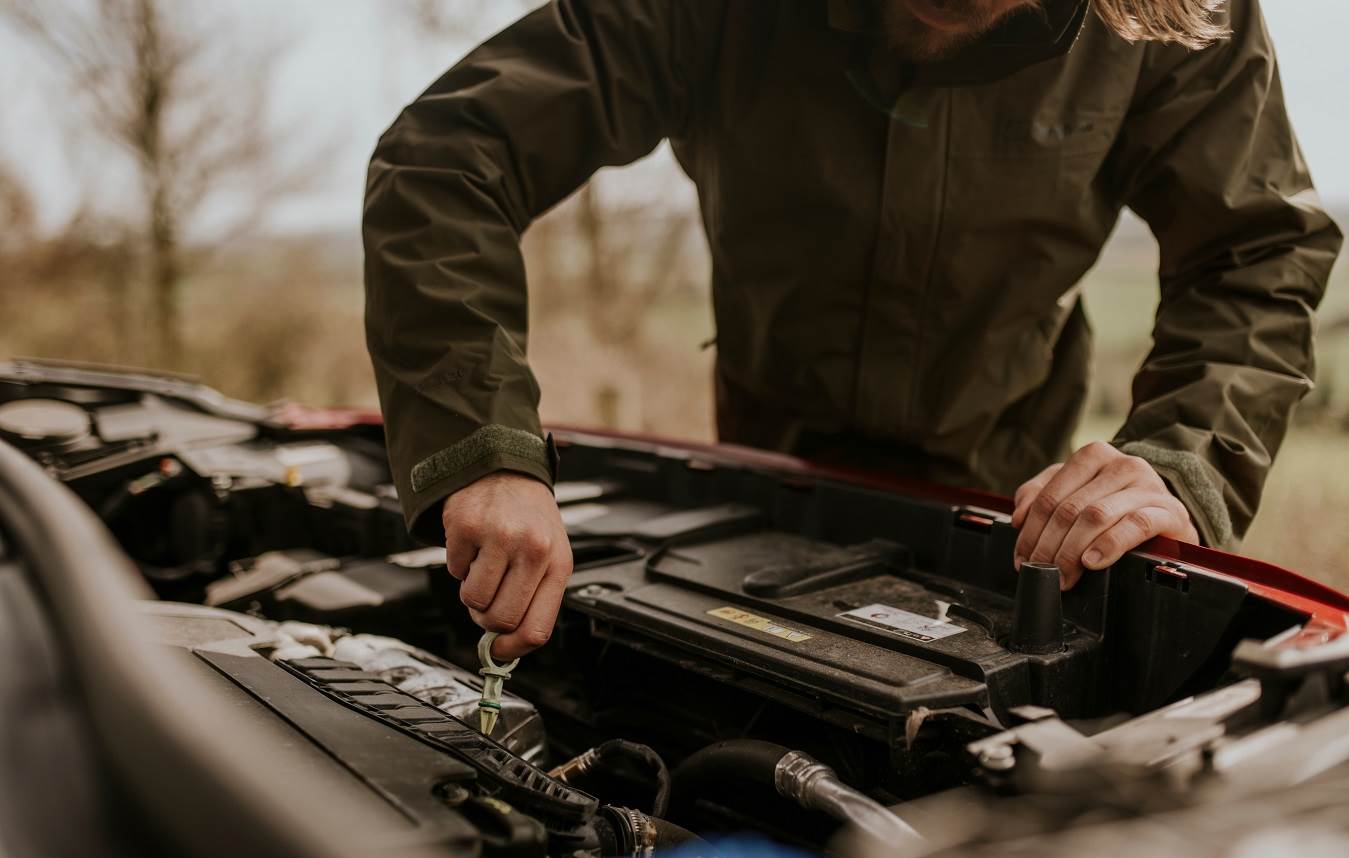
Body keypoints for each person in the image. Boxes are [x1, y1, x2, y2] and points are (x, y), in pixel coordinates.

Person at [363, 0, 1341, 660]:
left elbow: (1253, 249)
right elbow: (451, 157)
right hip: (758, 481)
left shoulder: (1171, 17)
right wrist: (479, 449)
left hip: (1009, 517)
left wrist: (1179, 464)